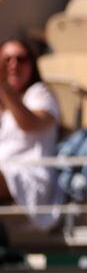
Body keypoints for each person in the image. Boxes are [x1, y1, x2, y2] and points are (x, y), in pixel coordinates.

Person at [0, 38, 60, 232]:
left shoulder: (41, 94)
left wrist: (4, 89)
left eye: (21, 59)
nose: (13, 65)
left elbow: (29, 123)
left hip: (29, 177)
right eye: (7, 60)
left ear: (32, 64)